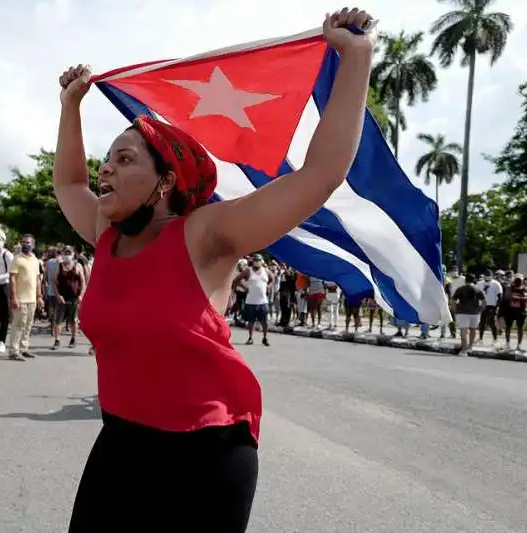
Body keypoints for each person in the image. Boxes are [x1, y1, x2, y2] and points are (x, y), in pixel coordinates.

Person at [54, 7, 376, 530]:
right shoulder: (105, 233)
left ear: (164, 183)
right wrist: (72, 106)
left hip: (205, 453)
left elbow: (320, 174)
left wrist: (356, 57)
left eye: (125, 159)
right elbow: (69, 184)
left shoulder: (204, 235)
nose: (105, 168)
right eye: (106, 158)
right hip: (120, 442)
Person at [8, 234, 43, 361]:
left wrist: (39, 296)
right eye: (23, 242)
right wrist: (14, 297)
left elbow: (38, 279)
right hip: (20, 298)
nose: (25, 244)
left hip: (32, 299)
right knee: (18, 324)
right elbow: (12, 279)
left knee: (28, 325)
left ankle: (24, 348)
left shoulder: (35, 260)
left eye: (28, 242)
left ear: (33, 245)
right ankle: (14, 351)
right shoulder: (17, 259)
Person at [452, 273, 485, 356]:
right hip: (475, 313)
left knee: (463, 331)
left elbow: (453, 300)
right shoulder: (478, 289)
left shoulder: (460, 289)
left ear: (465, 280)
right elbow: (484, 301)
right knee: (473, 330)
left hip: (462, 312)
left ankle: (464, 350)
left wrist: (454, 309)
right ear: (474, 280)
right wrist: (480, 309)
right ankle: (470, 347)